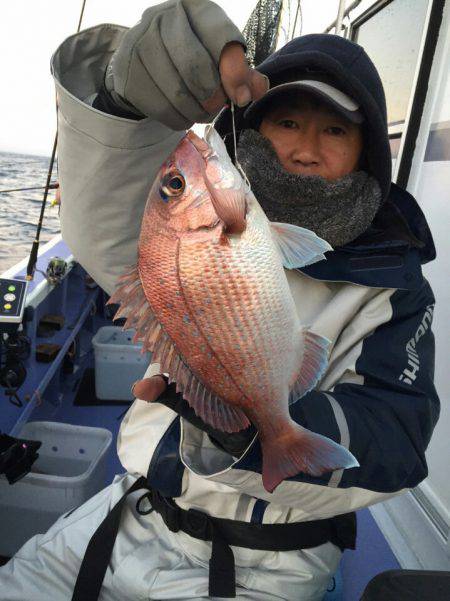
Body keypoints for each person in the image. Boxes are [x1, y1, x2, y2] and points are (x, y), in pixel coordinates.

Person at [0, 1, 440, 600]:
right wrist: (122, 103)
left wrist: (258, 432)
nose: (307, 147)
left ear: (368, 152)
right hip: (131, 511)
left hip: (274, 564)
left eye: (335, 129)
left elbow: (397, 434)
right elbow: (102, 217)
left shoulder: (396, 282)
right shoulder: (187, 224)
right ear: (252, 131)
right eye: (287, 122)